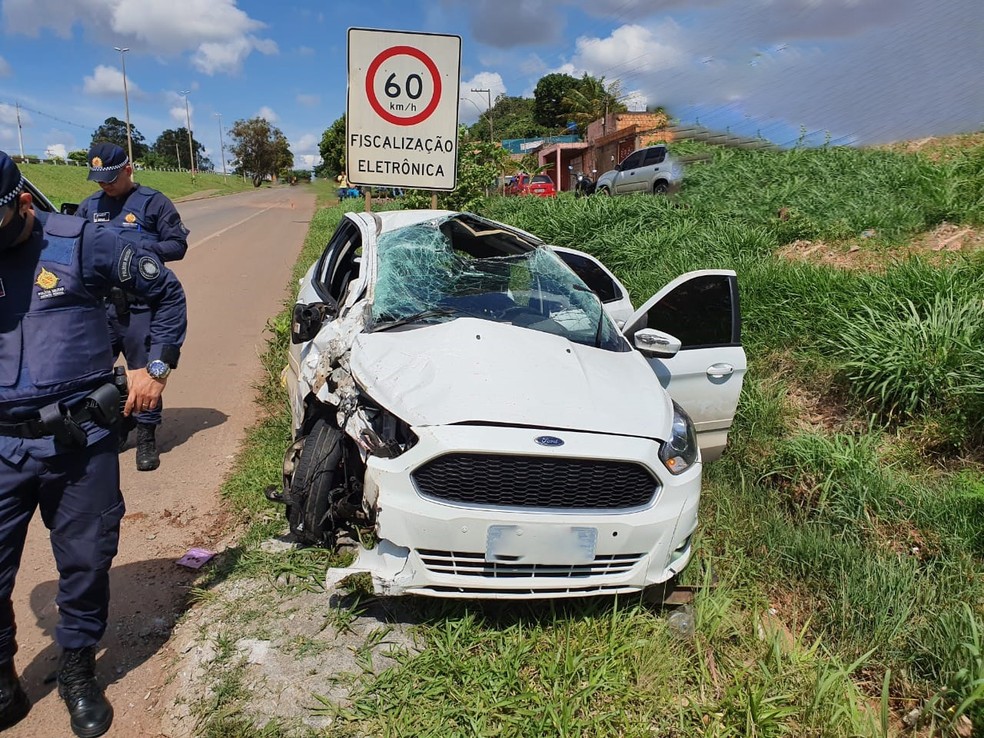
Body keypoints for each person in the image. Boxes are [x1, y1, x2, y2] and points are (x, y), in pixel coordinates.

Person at [0, 151, 187, 737]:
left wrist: (153, 368)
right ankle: (3, 679)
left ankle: (78, 669)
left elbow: (166, 293)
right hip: (2, 444)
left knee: (84, 562)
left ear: (22, 204)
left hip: (79, 440)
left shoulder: (84, 242)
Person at [75, 143, 190, 471]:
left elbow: (178, 245)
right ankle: (116, 419)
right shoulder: (88, 207)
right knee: (90, 371)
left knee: (148, 369)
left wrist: (139, 250)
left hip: (140, 308)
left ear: (128, 169)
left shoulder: (153, 203)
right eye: (98, 179)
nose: (104, 185)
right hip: (99, 308)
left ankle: (146, 433)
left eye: (110, 177)